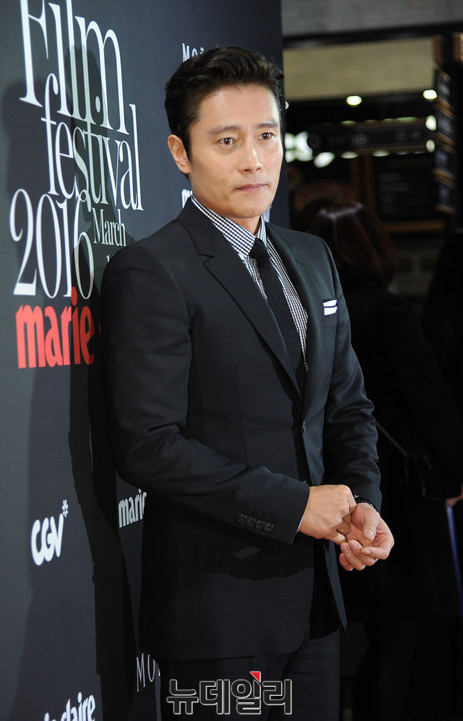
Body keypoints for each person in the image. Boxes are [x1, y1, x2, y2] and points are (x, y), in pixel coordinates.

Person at [100, 48, 393, 721]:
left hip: (317, 607)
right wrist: (294, 505)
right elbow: (147, 444)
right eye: (227, 141)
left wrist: (363, 505)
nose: (254, 160)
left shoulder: (312, 257)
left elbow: (348, 406)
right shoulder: (153, 270)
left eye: (266, 136)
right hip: (218, 619)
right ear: (181, 152)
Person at [302, 200, 463, 721]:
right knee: (409, 633)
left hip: (342, 487)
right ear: (374, 245)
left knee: (382, 634)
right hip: (404, 495)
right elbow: (430, 402)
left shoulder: (313, 312)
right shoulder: (387, 312)